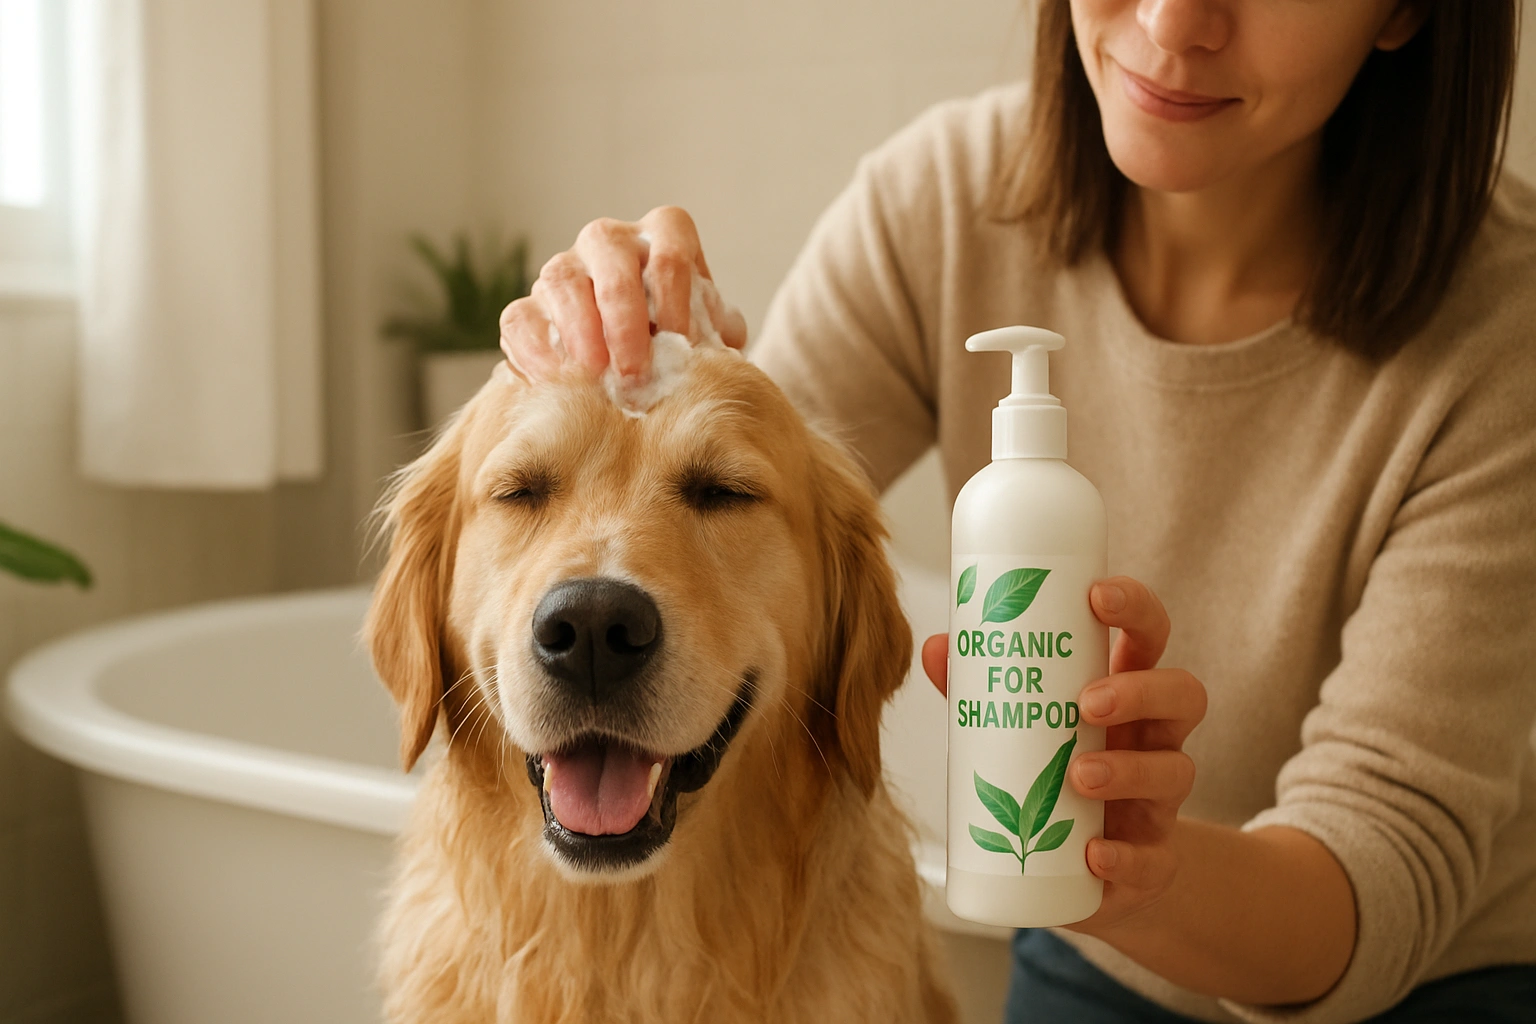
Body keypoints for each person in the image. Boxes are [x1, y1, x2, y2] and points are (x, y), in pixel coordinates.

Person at [498, 1, 1536, 1020]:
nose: (1175, 24)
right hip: (1093, 946)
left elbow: (1388, 863)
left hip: (1431, 984)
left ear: (1406, 12)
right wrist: (625, 358)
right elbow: (733, 540)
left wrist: (1141, 873)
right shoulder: (943, 203)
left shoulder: (1506, 328)